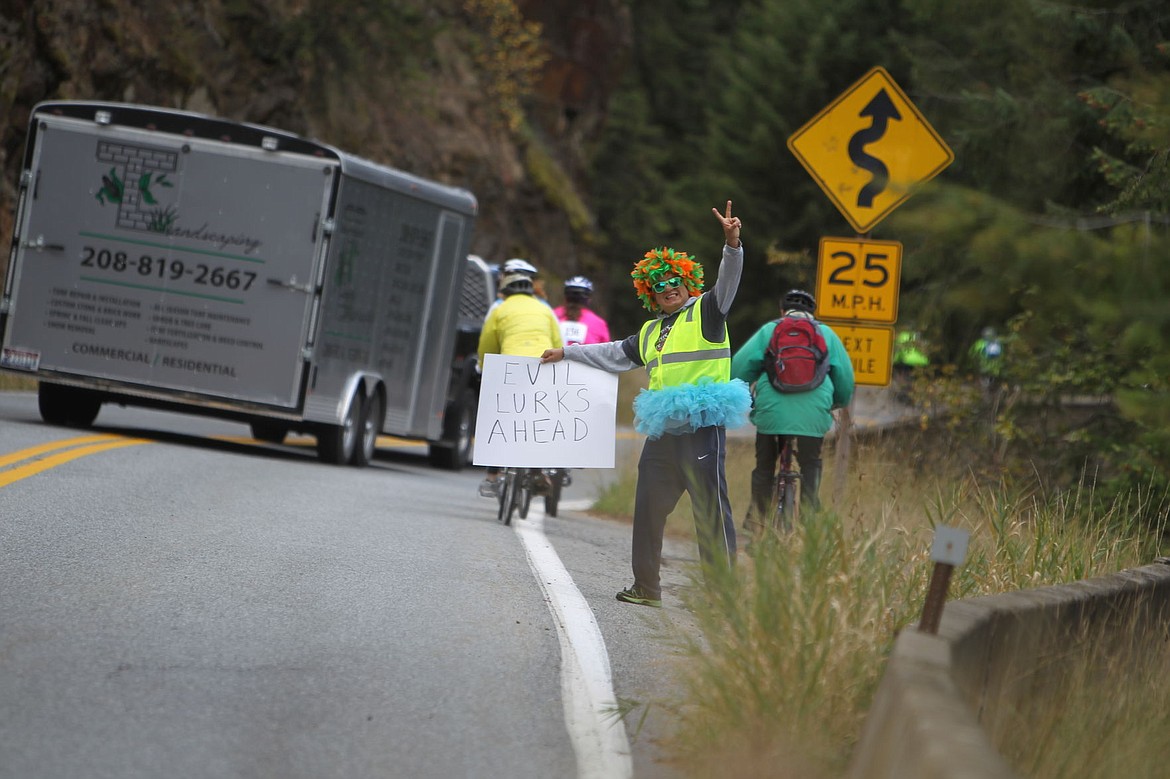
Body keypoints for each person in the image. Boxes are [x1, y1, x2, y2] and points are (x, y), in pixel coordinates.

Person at [540, 201, 751, 608]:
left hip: (701, 426)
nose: (668, 288)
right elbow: (615, 353)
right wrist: (568, 353)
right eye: (659, 285)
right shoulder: (652, 330)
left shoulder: (708, 310)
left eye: (674, 281)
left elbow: (729, 280)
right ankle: (647, 588)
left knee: (711, 510)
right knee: (648, 510)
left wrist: (731, 244)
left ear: (688, 283)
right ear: (649, 293)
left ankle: (722, 595)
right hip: (663, 432)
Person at [730, 289, 854, 537]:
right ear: (812, 313)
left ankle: (757, 524)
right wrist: (834, 403)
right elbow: (845, 380)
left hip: (771, 413)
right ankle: (809, 520)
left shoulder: (770, 330)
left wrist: (744, 396)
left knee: (764, 468)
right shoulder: (826, 334)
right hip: (814, 412)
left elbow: (739, 368)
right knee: (810, 463)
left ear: (782, 311)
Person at [476, 270, 564, 498]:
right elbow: (558, 343)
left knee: (500, 418)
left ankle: (492, 477)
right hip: (542, 364)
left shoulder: (500, 309)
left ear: (504, 292)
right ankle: (535, 469)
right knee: (538, 418)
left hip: (509, 366)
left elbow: (487, 343)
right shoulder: (546, 310)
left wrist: (486, 368)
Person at [553, 275, 611, 346]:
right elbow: (604, 351)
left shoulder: (552, 315)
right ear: (588, 299)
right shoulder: (599, 323)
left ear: (565, 296)